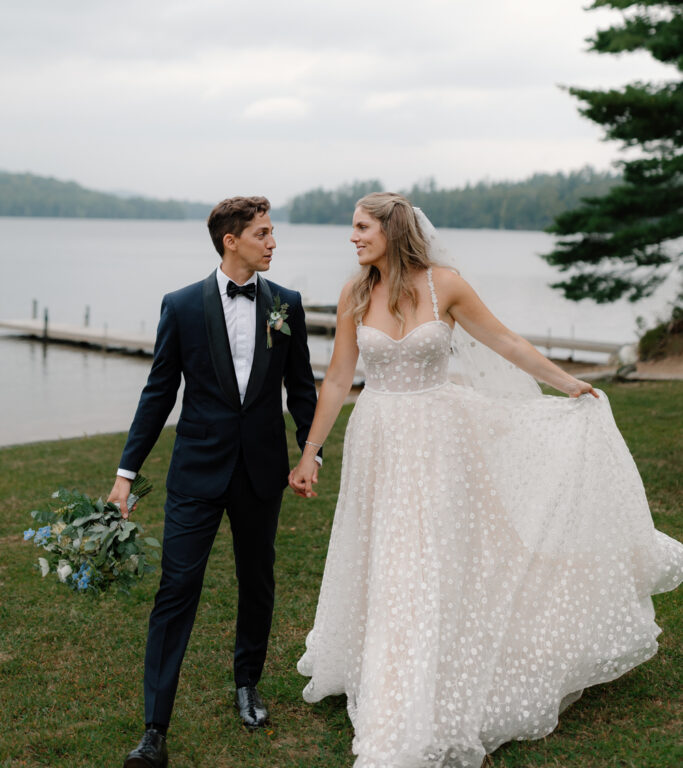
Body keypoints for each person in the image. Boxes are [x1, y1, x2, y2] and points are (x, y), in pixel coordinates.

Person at [289, 191, 683, 768]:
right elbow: (337, 380)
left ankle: (440, 664)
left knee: (437, 554)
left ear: (392, 230)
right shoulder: (356, 292)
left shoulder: (444, 284)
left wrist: (565, 382)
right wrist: (310, 453)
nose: (353, 237)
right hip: (379, 439)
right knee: (389, 553)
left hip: (441, 439)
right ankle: (388, 663)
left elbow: (506, 342)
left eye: (361, 227)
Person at [108, 196, 317, 768]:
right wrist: (126, 475)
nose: (273, 243)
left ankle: (247, 684)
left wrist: (309, 454)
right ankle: (154, 728)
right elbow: (158, 394)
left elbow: (301, 388)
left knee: (258, 580)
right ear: (232, 240)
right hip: (197, 475)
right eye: (264, 233)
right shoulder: (180, 306)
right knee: (175, 592)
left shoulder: (287, 306)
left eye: (272, 233)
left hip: (261, 471)